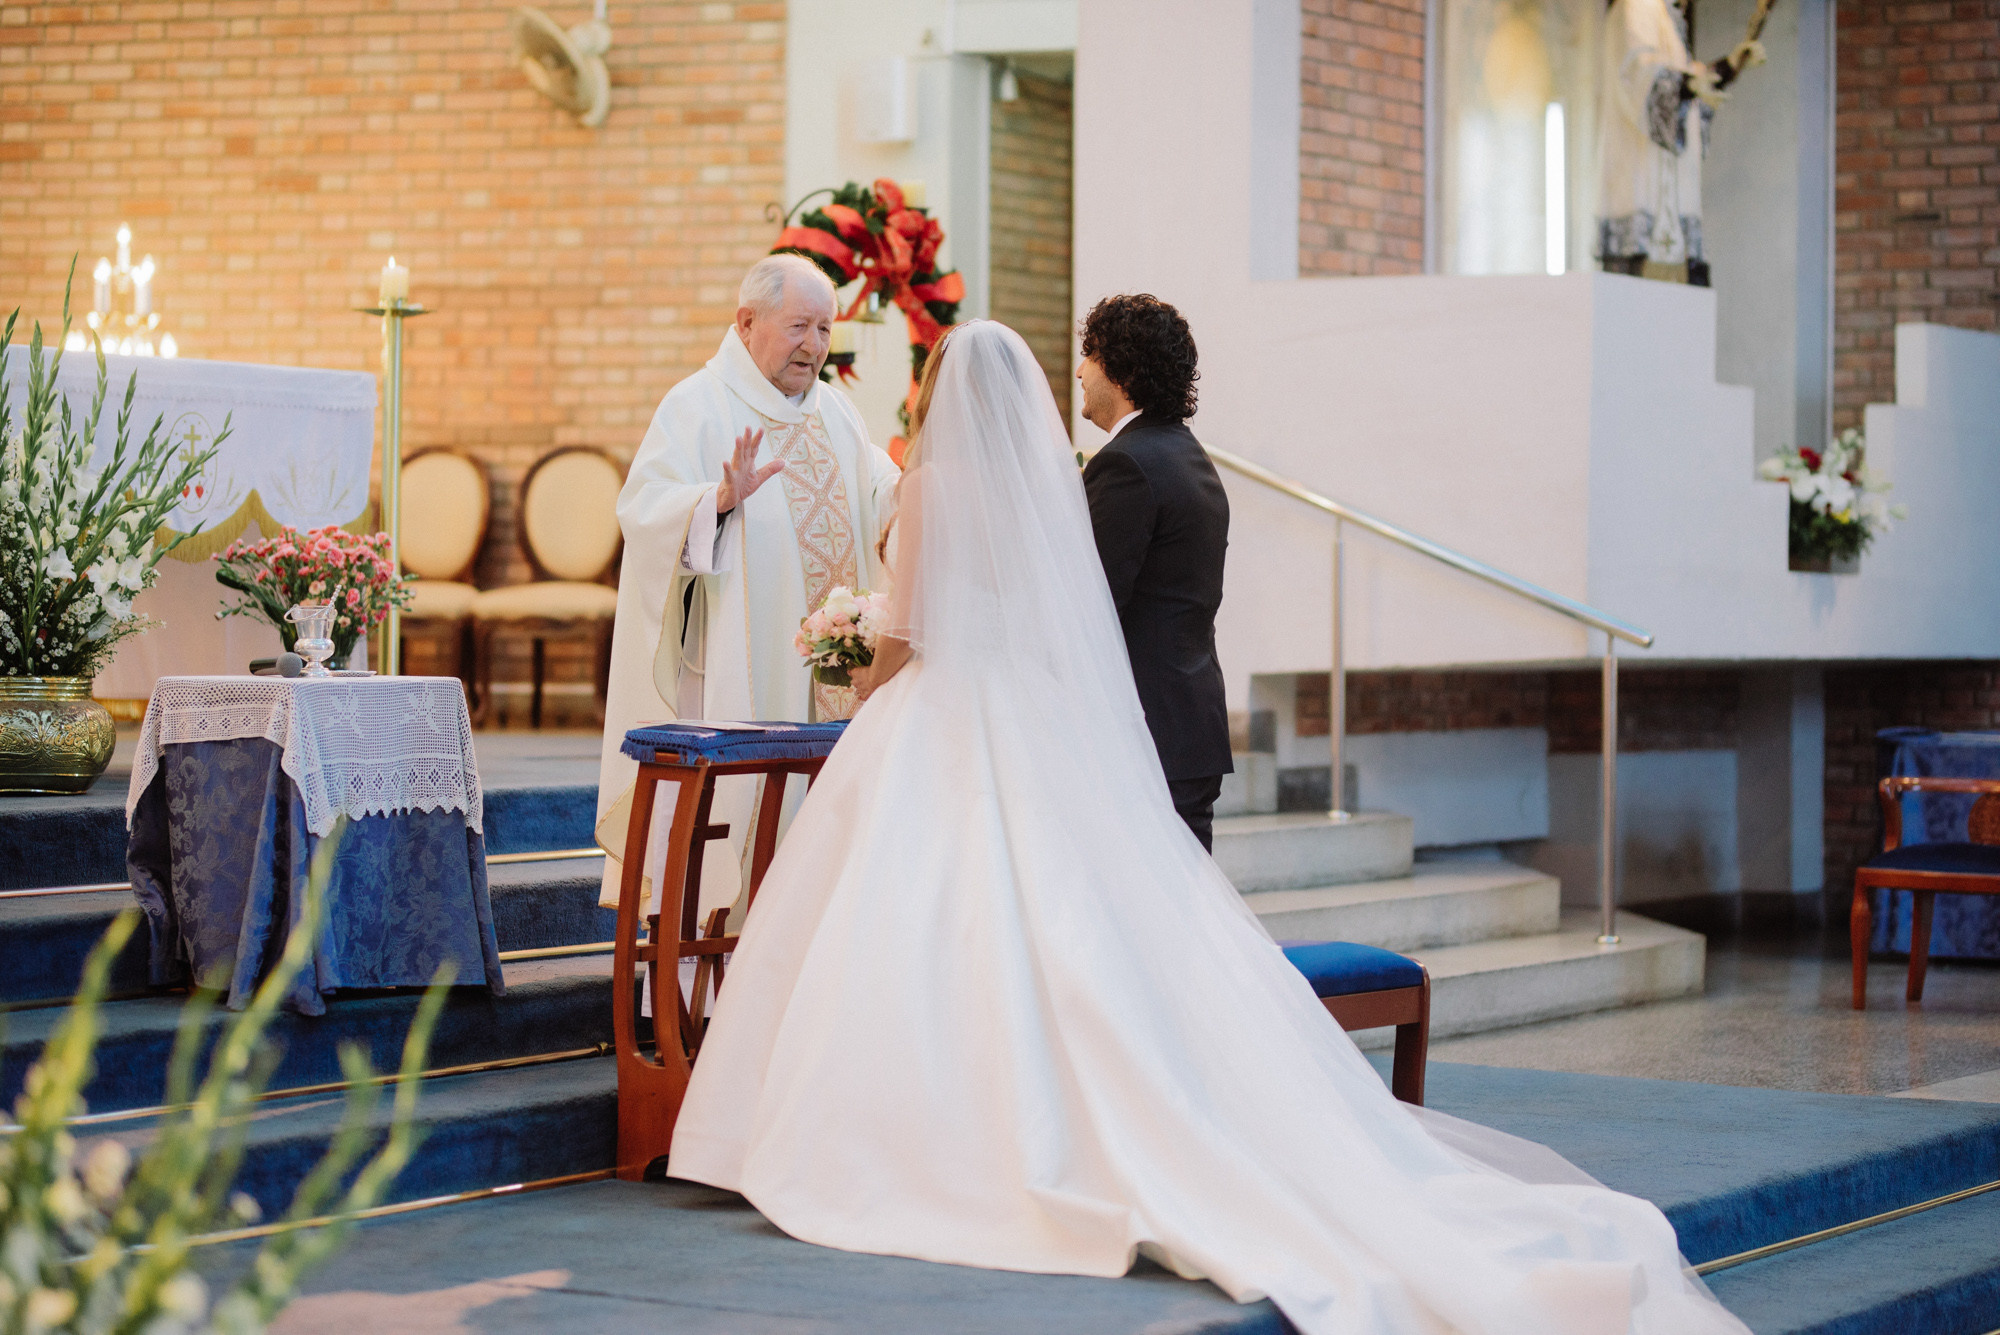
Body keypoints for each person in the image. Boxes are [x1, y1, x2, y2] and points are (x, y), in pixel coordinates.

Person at [668, 320, 1751, 1335]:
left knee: (917, 912)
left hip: (941, 712)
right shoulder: (1068, 480)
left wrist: (857, 671)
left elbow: (908, 626)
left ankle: (912, 1131)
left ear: (943, 394)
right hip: (1037, 722)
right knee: (1040, 925)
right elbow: (1055, 609)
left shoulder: (953, 485)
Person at [594, 253, 899, 921]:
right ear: (747, 321)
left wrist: (917, 489)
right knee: (745, 831)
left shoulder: (838, 413)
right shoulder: (697, 406)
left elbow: (878, 490)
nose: (813, 345)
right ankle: (714, 993)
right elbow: (642, 510)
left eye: (824, 329)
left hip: (839, 694)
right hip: (739, 684)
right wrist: (717, 500)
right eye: (799, 326)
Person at [1076, 294, 1232, 851]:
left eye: (1090, 354)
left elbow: (1087, 603)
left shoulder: (1127, 464)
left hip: (1145, 731)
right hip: (1185, 721)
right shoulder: (1185, 454)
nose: (1079, 370)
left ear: (1124, 371)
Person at [1597, 0, 1766, 287]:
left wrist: (1729, 66)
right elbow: (1638, 76)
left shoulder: (1668, 18)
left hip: (1676, 216)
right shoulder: (1636, 8)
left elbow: (1689, 90)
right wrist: (1689, 86)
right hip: (1642, 211)